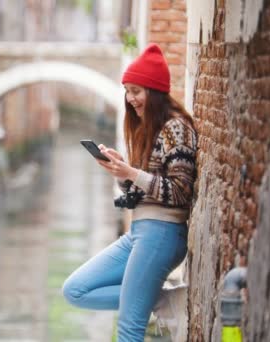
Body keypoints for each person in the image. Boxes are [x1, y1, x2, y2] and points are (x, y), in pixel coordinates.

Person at [61, 43, 198, 342]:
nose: (130, 98)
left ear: (155, 90)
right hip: (140, 232)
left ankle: (152, 298)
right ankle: (162, 300)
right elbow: (143, 192)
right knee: (75, 289)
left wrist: (132, 173)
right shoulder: (149, 128)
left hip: (163, 233)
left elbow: (180, 192)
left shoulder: (177, 128)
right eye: (127, 90)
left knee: (129, 326)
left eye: (136, 90)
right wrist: (121, 171)